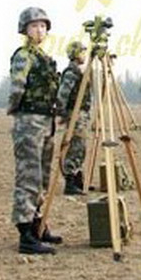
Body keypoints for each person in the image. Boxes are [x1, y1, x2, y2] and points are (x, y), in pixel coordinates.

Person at [7, 6, 62, 255]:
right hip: (29, 121)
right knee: (29, 177)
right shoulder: (24, 56)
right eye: (34, 26)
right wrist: (15, 109)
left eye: (42, 26)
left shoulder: (43, 57)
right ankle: (26, 234)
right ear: (25, 30)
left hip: (46, 121)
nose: (39, 30)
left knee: (42, 177)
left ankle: (39, 224)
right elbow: (17, 86)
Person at [56, 39, 92, 195]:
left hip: (81, 113)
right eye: (82, 52)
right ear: (76, 54)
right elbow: (63, 94)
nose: (85, 55)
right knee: (76, 147)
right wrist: (62, 113)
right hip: (75, 114)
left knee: (81, 146)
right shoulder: (71, 73)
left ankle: (78, 179)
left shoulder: (79, 72)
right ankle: (70, 181)